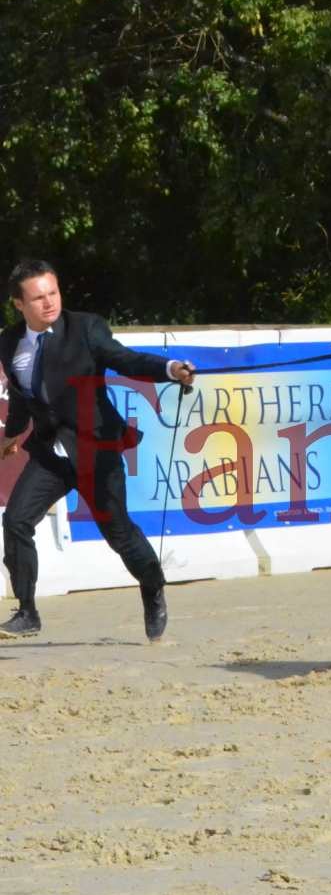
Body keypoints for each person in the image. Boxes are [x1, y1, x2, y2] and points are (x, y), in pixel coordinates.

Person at [0, 260, 196, 639]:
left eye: (53, 293)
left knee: (119, 535)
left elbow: (127, 360)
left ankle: (153, 586)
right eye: (38, 297)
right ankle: (27, 612)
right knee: (16, 521)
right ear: (18, 304)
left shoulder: (86, 328)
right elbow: (26, 397)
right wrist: (12, 434)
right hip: (50, 452)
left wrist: (171, 368)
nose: (49, 303)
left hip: (95, 448)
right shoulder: (10, 342)